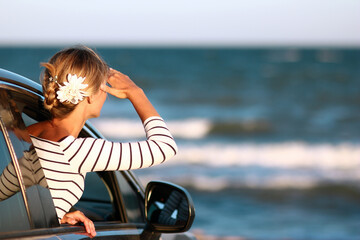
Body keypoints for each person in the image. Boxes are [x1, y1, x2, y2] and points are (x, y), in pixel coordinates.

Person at [26, 46, 178, 237]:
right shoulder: (76, 150)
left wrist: (53, 217)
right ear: (90, 94)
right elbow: (165, 147)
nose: (106, 94)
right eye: (103, 87)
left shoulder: (26, 133)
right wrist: (135, 92)